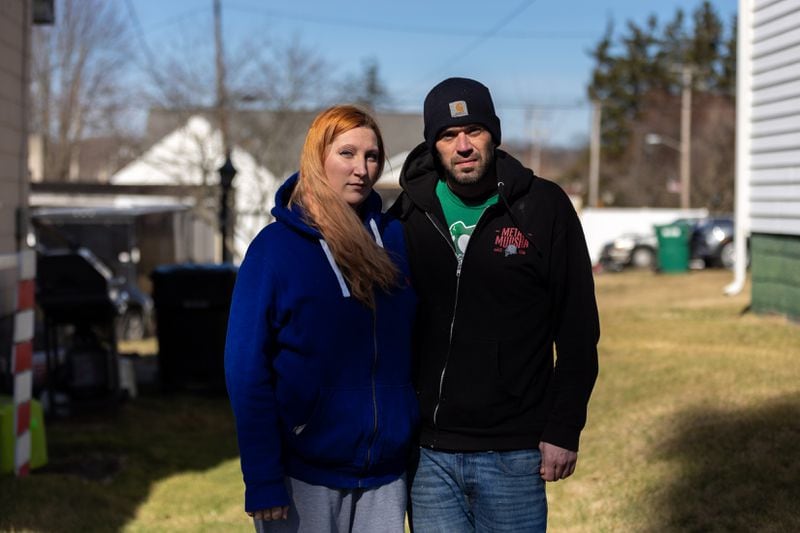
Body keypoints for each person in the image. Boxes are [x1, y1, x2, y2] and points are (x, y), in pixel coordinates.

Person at [390, 77, 600, 532]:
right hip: (430, 457)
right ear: (433, 145)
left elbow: (578, 327)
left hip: (515, 452)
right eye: (448, 135)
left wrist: (563, 429)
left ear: (494, 135)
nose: (463, 145)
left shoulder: (543, 206)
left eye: (475, 131)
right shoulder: (407, 216)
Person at [225, 105, 419, 532]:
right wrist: (262, 478)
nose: (361, 169)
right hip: (302, 475)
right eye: (346, 153)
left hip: (384, 477)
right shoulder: (275, 250)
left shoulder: (393, 240)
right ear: (317, 158)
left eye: (372, 156)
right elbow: (246, 370)